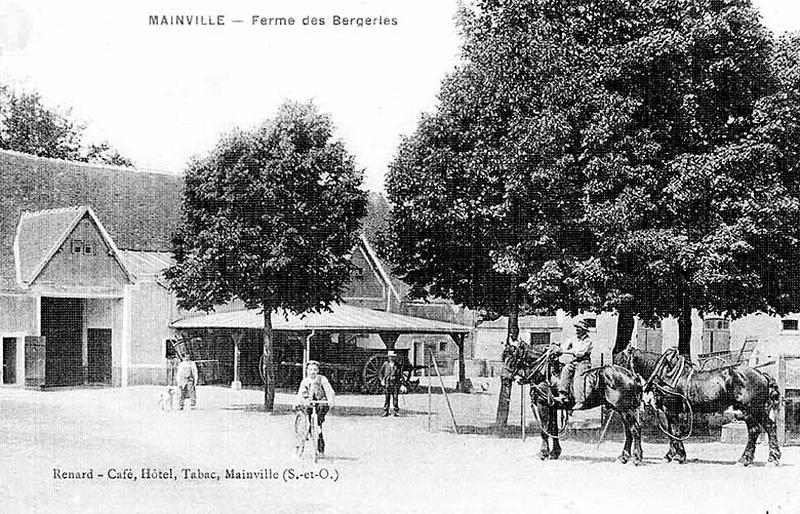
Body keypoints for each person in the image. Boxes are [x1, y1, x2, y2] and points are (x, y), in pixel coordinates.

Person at [295, 361, 335, 455]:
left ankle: (321, 450)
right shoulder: (305, 381)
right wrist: (297, 402)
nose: (312, 372)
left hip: (320, 403)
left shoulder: (322, 379)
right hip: (309, 403)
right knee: (306, 421)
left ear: (318, 371)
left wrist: (330, 400)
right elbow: (300, 393)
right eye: (310, 370)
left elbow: (329, 391)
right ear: (307, 371)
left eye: (314, 369)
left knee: (318, 423)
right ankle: (299, 446)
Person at [553, 324, 593, 410]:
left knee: (579, 378)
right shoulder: (574, 338)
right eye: (577, 329)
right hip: (574, 362)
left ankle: (580, 401)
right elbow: (565, 345)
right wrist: (559, 348)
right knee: (565, 370)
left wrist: (564, 351)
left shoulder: (588, 341)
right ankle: (563, 395)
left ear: (583, 330)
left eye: (579, 329)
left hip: (583, 362)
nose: (577, 331)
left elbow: (579, 353)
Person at [379, 351, 403, 417]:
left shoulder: (397, 365)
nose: (391, 358)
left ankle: (396, 411)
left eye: (393, 357)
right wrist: (382, 380)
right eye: (390, 357)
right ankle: (385, 411)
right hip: (387, 383)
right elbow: (380, 373)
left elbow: (400, 375)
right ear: (388, 357)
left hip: (395, 383)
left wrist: (401, 384)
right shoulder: (385, 364)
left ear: (394, 358)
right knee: (387, 398)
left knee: (395, 398)